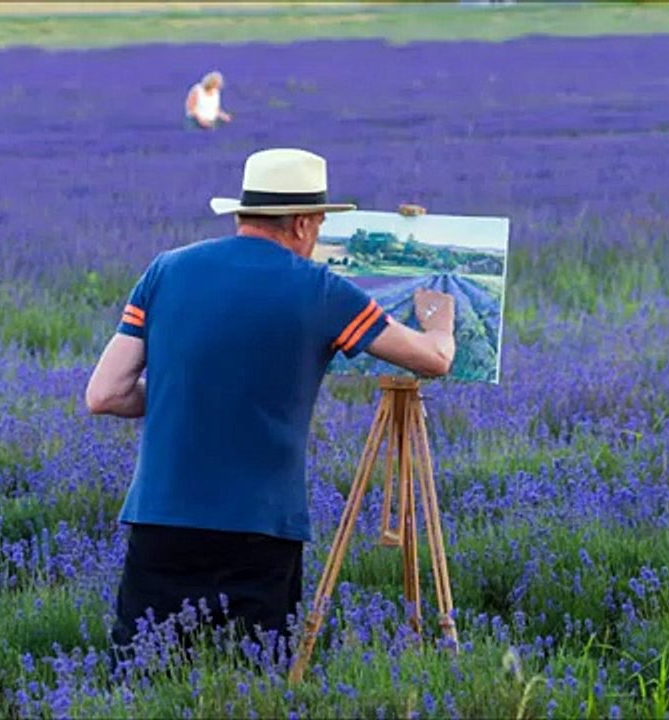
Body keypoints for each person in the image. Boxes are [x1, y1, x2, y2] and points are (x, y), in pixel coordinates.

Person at [85, 147, 456, 656]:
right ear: (303, 223)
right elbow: (430, 361)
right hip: (261, 525)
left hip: (161, 516)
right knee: (251, 676)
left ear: (242, 213)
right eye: (320, 224)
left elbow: (105, 394)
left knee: (143, 673)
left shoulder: (166, 270)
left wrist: (192, 390)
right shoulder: (322, 289)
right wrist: (441, 325)